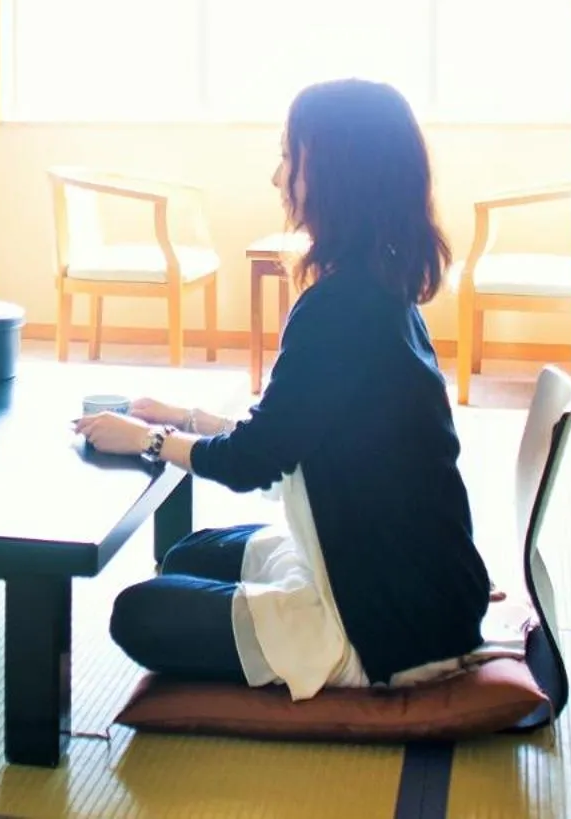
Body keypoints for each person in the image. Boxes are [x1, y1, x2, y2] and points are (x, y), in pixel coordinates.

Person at [73, 80, 491, 696]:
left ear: (336, 173)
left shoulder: (340, 306)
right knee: (188, 555)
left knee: (137, 613)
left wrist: (151, 439)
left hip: (382, 624)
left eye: (290, 158)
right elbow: (294, 425)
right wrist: (188, 417)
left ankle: (321, 646)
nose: (277, 178)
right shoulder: (379, 286)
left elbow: (255, 462)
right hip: (413, 584)